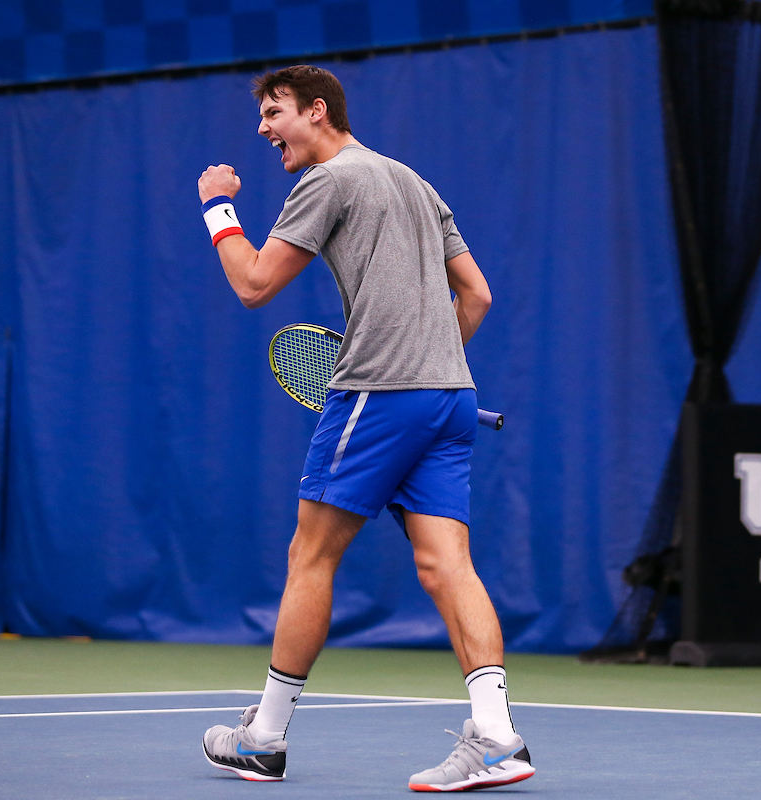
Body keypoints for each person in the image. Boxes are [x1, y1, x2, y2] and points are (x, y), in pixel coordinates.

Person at [196, 65, 533, 791]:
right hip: (448, 398)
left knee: (310, 557)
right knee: (450, 566)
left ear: (318, 113)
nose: (263, 129)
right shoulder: (415, 181)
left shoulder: (326, 180)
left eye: (274, 112)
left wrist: (218, 208)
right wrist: (431, 365)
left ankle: (265, 737)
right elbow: (476, 295)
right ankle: (500, 739)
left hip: (379, 394)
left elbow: (254, 284)